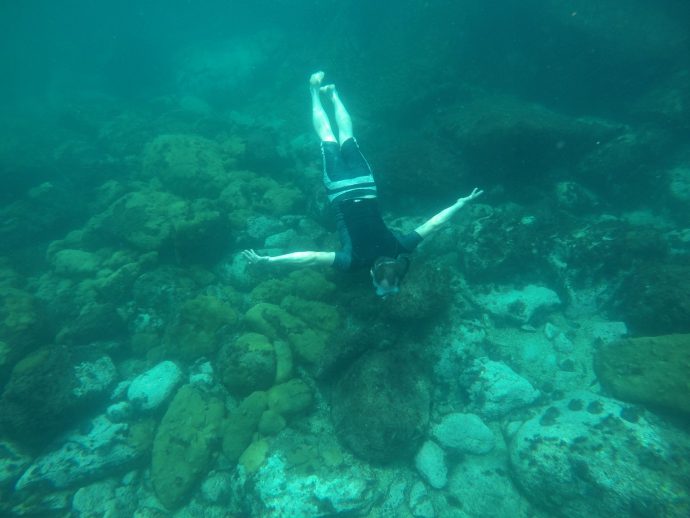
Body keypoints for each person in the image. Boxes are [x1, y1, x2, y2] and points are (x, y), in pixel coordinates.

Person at [243, 71, 483, 297]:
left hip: (365, 184)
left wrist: (460, 204)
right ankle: (314, 91)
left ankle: (332, 93)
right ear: (371, 273)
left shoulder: (401, 248)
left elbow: (433, 225)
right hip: (339, 189)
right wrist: (270, 261)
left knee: (347, 135)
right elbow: (312, 257)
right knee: (327, 137)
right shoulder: (353, 261)